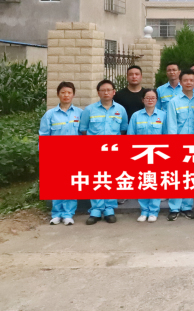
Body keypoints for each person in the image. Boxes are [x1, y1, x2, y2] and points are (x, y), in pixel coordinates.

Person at [78, 79, 128, 225]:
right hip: (95, 150)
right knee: (97, 178)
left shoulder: (121, 110)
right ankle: (95, 210)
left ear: (114, 92)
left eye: (109, 90)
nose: (106, 93)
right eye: (103, 90)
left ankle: (109, 209)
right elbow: (83, 129)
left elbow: (123, 129)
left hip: (113, 150)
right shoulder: (89, 110)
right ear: (98, 93)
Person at [39, 81, 83, 226]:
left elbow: (83, 135)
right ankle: (56, 214)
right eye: (63, 92)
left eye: (69, 92)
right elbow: (44, 136)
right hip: (56, 155)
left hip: (75, 155)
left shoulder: (80, 113)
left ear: (73, 95)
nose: (66, 95)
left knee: (71, 184)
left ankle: (68, 214)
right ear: (58, 94)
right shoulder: (50, 115)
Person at [127, 88, 166, 223]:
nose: (150, 100)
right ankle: (144, 210)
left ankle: (154, 211)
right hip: (141, 154)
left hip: (157, 154)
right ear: (143, 100)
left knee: (154, 182)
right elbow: (131, 135)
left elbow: (166, 136)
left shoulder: (163, 115)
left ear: (157, 100)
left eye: (153, 98)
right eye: (147, 98)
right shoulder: (136, 116)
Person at [165, 69, 194, 221]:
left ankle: (187, 206)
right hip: (179, 143)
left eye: (191, 80)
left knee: (190, 176)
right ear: (180, 82)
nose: (188, 83)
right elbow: (171, 125)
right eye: (185, 80)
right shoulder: (174, 102)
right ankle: (174, 207)